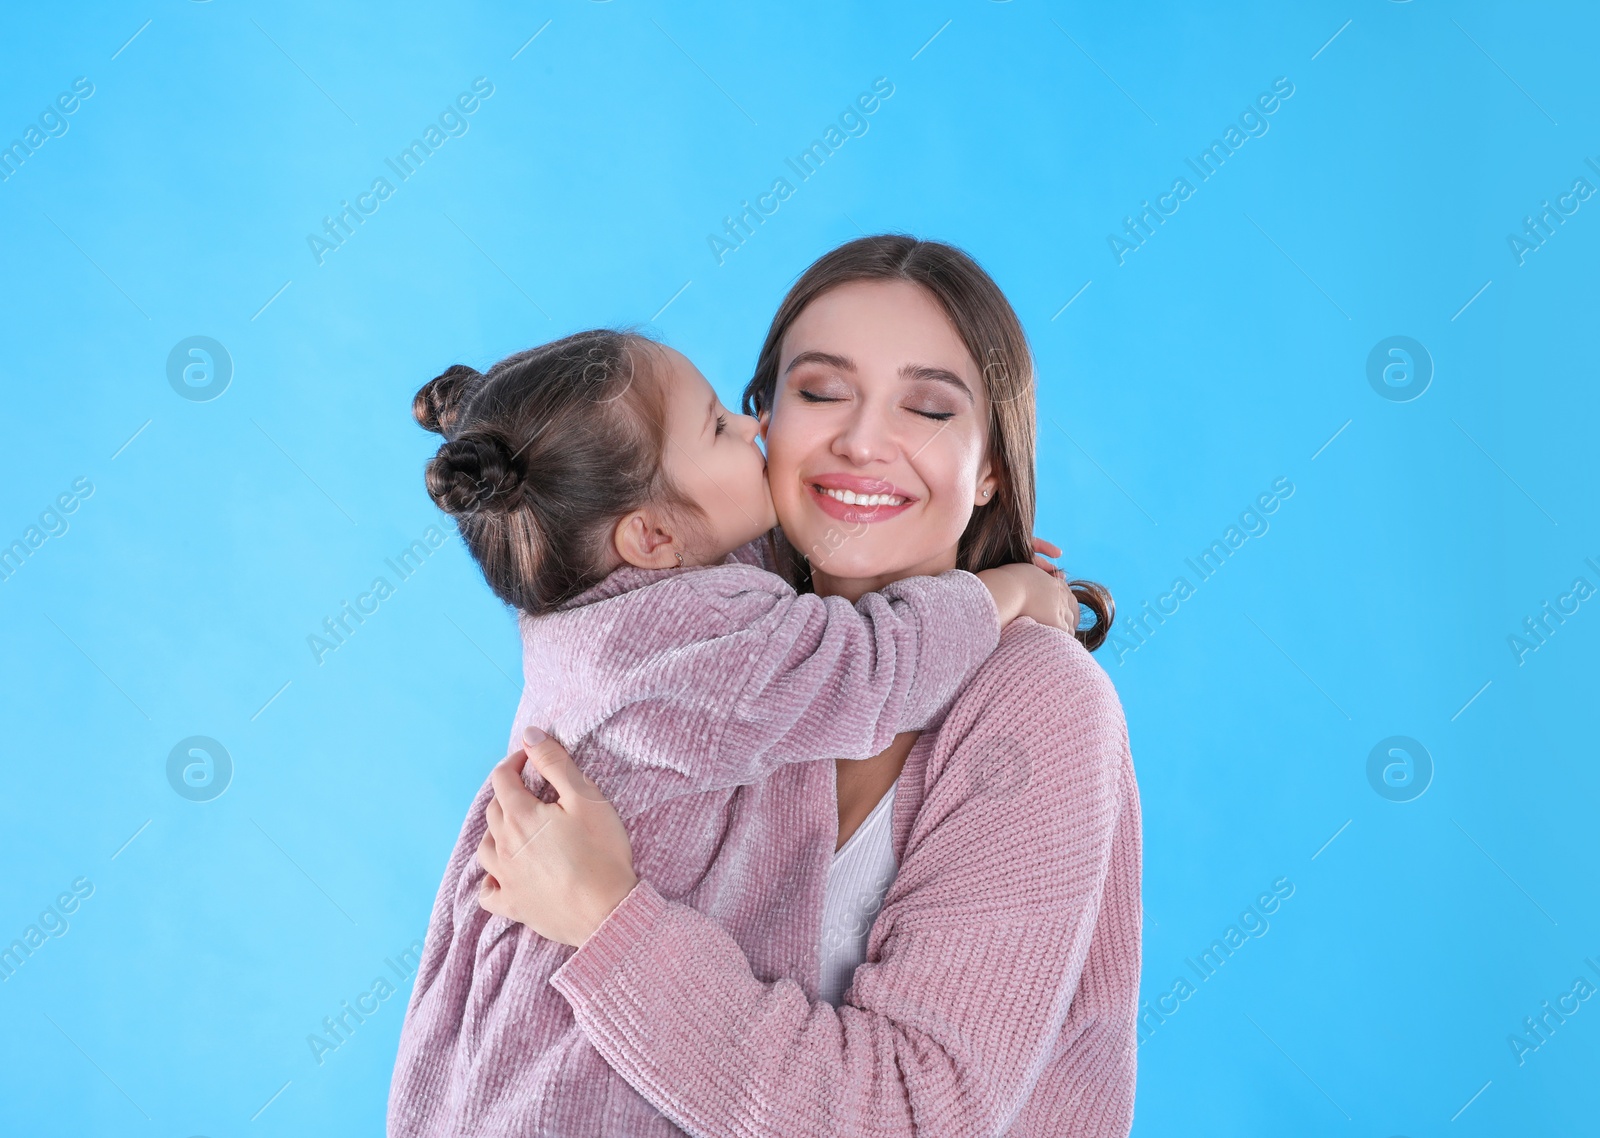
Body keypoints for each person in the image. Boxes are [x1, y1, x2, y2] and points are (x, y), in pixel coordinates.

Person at [472, 235, 1141, 1136]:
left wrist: (606, 919)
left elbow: (910, 1115)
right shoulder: (682, 643)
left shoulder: (1037, 703)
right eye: (820, 392)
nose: (862, 442)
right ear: (766, 423)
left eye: (930, 410)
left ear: (989, 469)